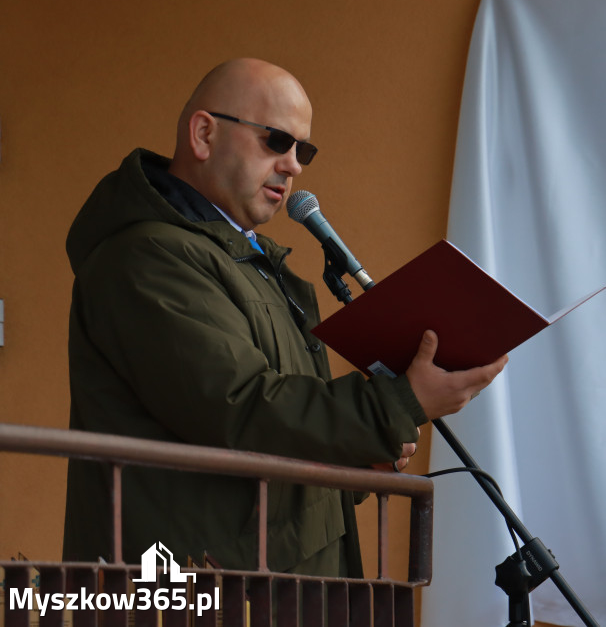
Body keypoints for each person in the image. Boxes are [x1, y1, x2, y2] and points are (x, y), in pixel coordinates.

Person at [62, 58, 507, 576]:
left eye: (304, 150)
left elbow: (276, 431)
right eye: (276, 140)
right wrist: (398, 403)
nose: (294, 165)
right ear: (203, 134)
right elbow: (243, 409)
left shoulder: (247, 259)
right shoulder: (144, 258)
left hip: (277, 579)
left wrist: (354, 458)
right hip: (202, 590)